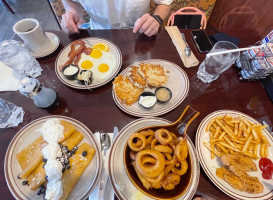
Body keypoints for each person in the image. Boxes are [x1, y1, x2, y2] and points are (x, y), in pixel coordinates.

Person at [61, 0, 173, 36]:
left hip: (140, 35)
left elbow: (165, 3)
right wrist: (73, 13)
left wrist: (156, 19)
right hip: (97, 35)